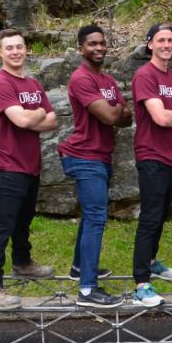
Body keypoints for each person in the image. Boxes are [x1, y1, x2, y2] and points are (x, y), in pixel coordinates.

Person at [0, 28, 58, 309]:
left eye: (19, 47)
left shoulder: (33, 84)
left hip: (31, 165)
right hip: (8, 165)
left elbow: (52, 121)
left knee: (23, 221)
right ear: (0, 52)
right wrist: (35, 115)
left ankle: (23, 263)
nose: (15, 52)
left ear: (26, 50)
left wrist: (32, 116)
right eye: (9, 48)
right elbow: (24, 121)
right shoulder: (0, 84)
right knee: (2, 225)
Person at [59, 25, 132, 308]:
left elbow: (125, 117)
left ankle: (79, 268)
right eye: (92, 44)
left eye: (102, 43)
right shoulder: (81, 78)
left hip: (101, 155)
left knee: (92, 216)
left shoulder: (108, 80)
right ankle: (88, 291)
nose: (99, 48)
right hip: (84, 156)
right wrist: (116, 111)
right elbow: (109, 115)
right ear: (81, 48)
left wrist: (117, 112)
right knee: (96, 218)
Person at [130, 23, 172, 307]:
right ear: (150, 45)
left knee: (161, 215)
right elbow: (161, 119)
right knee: (149, 218)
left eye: (170, 40)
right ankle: (141, 283)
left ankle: (152, 260)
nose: (167, 44)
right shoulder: (144, 76)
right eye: (161, 40)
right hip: (151, 156)